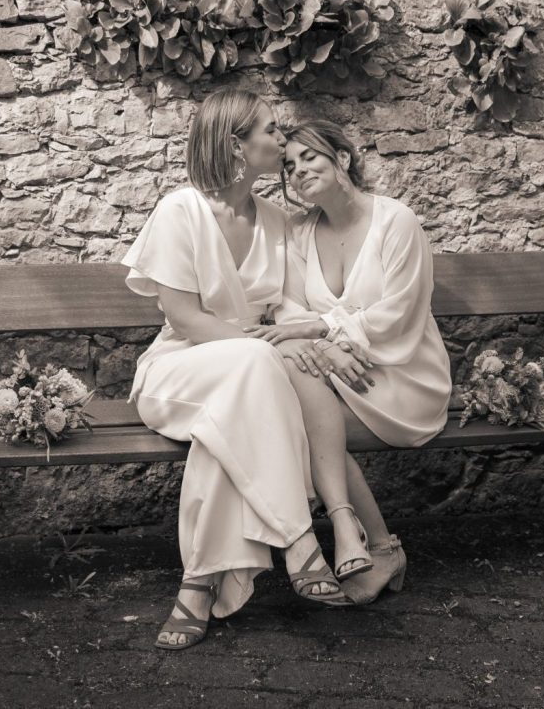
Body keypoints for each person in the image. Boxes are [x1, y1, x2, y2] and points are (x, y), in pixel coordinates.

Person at [120, 91, 348, 652]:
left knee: (223, 433)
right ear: (235, 145)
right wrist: (265, 347)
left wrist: (304, 335)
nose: (282, 139)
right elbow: (184, 317)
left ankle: (196, 586)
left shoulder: (277, 220)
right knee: (253, 367)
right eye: (271, 129)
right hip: (180, 371)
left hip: (249, 380)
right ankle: (298, 535)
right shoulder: (180, 210)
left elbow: (287, 305)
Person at [245, 120, 452, 604]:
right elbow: (289, 310)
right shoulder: (299, 231)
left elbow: (401, 312)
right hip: (334, 376)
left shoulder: (395, 221)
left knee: (294, 431)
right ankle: (368, 543)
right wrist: (325, 347)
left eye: (309, 157)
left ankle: (373, 544)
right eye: (288, 166)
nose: (298, 171)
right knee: (291, 392)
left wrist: (327, 334)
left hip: (402, 376)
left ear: (342, 158)